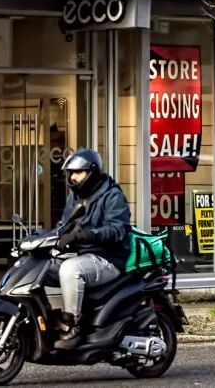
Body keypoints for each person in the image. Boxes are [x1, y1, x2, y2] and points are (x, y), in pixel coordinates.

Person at [53, 148, 131, 349]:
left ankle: (72, 324)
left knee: (70, 270)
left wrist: (86, 235)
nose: (73, 177)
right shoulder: (75, 198)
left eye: (78, 172)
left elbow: (117, 230)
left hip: (108, 259)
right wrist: (44, 238)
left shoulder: (112, 196)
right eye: (70, 173)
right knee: (44, 267)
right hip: (82, 255)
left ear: (92, 172)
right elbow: (63, 226)